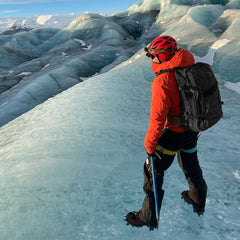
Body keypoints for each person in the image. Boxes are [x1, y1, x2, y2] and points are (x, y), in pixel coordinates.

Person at [125, 36, 207, 230]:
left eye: (153, 56)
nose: (151, 59)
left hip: (175, 133)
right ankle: (198, 199)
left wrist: (150, 144)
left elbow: (157, 118)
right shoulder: (190, 68)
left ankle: (148, 217)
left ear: (161, 56)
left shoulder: (163, 80)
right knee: (189, 161)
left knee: (153, 169)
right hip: (193, 128)